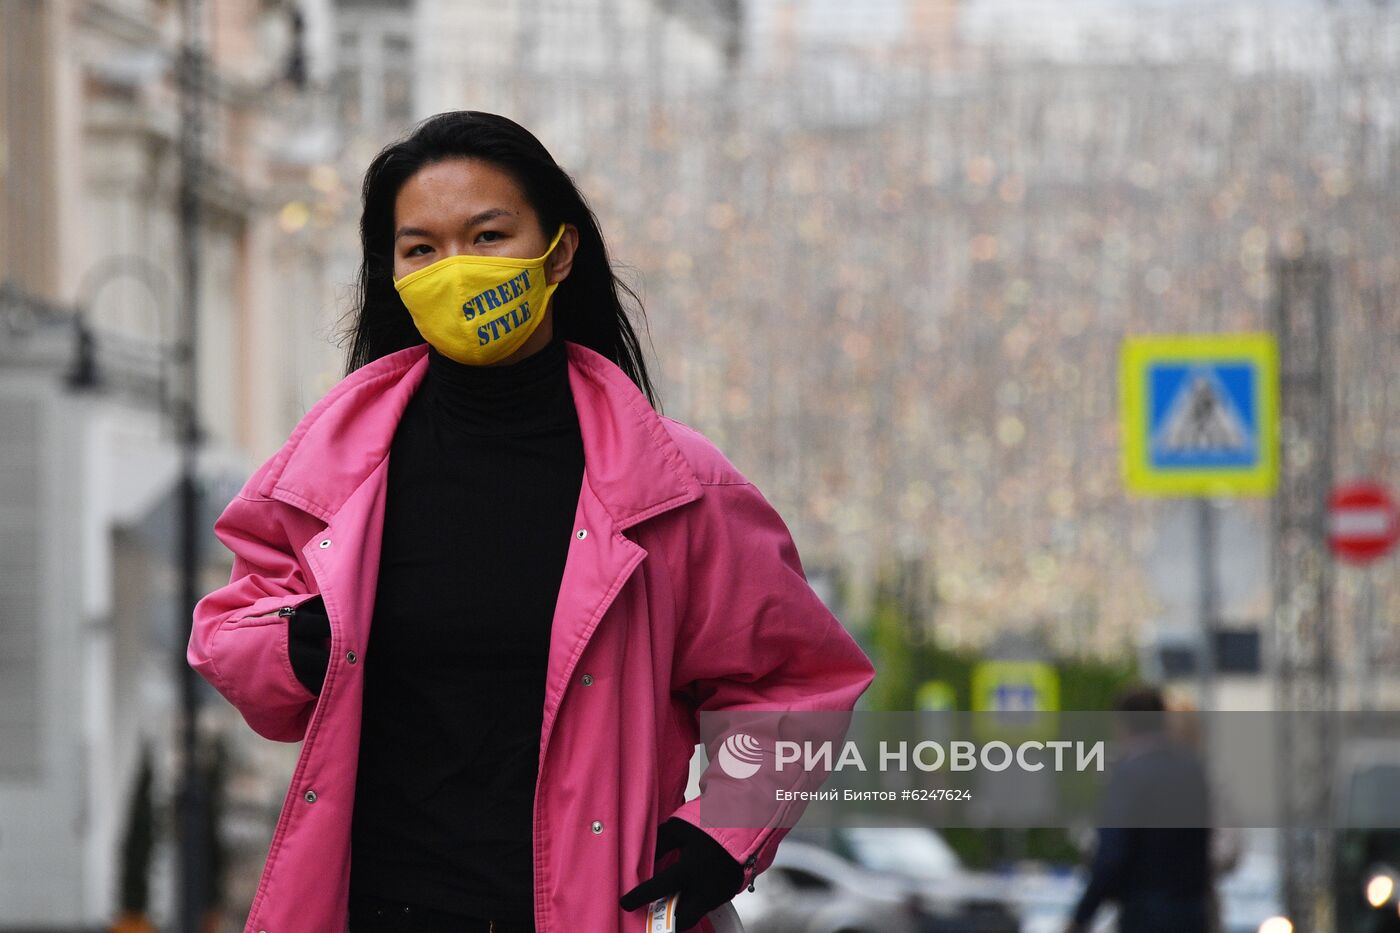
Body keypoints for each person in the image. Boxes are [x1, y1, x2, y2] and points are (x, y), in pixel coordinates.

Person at [187, 111, 877, 933]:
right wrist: (304, 640)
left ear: (559, 251)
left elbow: (798, 681)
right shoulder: (332, 470)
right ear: (394, 274)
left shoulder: (675, 486)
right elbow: (230, 631)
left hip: (589, 911)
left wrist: (724, 836)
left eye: (486, 235)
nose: (456, 270)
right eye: (422, 249)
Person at [1065, 685, 1213, 933]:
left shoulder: (1128, 774)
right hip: (1193, 911)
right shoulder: (1193, 771)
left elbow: (1113, 852)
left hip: (1145, 913)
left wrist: (1082, 916)